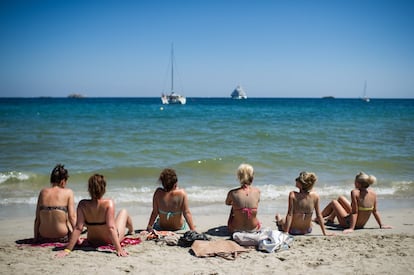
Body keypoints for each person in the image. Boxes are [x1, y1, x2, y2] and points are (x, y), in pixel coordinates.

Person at [56, 174, 134, 257]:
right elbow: (111, 228)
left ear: (89, 189)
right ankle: (131, 230)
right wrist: (119, 249)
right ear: (103, 188)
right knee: (123, 212)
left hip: (92, 240)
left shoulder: (82, 204)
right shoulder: (108, 203)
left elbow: (78, 228)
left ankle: (130, 230)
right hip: (109, 241)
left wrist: (67, 250)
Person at [319, 172, 392, 233]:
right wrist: (381, 225)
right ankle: (330, 219)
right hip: (361, 224)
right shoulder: (373, 193)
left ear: (358, 184)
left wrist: (351, 228)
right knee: (341, 198)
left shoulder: (355, 192)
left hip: (348, 223)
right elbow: (375, 211)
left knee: (334, 202)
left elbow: (355, 212)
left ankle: (318, 218)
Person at [275, 171, 332, 236]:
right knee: (309, 221)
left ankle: (278, 219)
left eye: (298, 179)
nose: (296, 180)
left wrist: (286, 232)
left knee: (282, 221)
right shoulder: (315, 196)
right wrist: (325, 233)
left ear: (301, 184)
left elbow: (289, 214)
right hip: (307, 230)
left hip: (293, 230)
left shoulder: (293, 195)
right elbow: (319, 215)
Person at [34, 164, 76, 243]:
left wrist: (35, 239)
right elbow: (72, 217)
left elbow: (37, 219)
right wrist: (77, 238)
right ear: (63, 181)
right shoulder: (68, 192)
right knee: (71, 215)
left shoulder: (43, 192)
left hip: (43, 237)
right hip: (62, 237)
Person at [225, 163, 261, 234]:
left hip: (235, 229)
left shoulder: (232, 193)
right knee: (251, 208)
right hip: (253, 228)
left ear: (239, 177)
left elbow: (227, 203)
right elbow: (257, 202)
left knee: (234, 205)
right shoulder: (257, 192)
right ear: (252, 176)